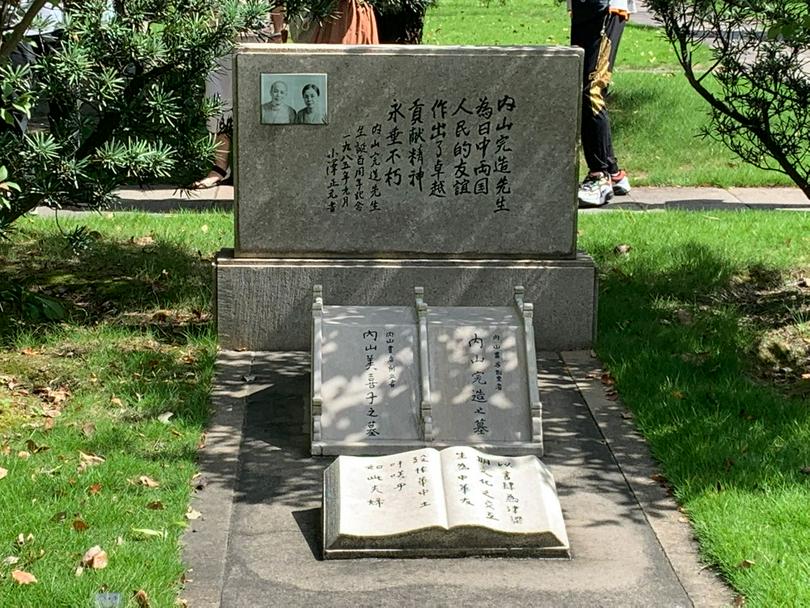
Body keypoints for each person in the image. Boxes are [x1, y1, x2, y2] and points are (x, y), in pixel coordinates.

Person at [192, 10, 286, 189]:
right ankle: (220, 168)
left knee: (258, 101)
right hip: (218, 33)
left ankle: (256, 168)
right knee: (218, 101)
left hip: (257, 35)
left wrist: (277, 32)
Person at [570, 0, 635, 207]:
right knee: (583, 86)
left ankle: (599, 177)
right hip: (585, 9)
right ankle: (613, 172)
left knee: (592, 90)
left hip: (604, 8)